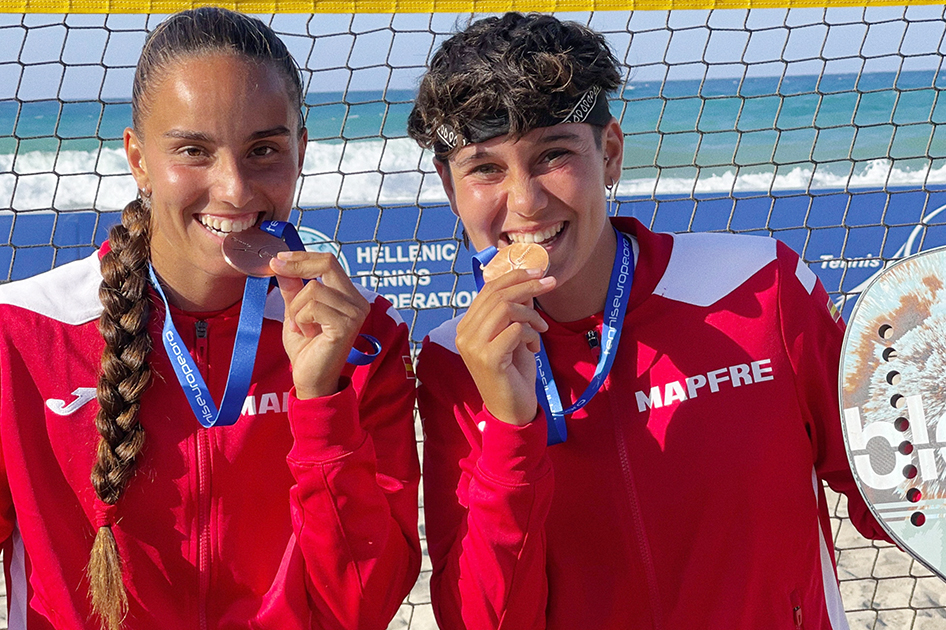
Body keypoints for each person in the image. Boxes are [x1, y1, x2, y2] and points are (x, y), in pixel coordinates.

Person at [408, 12, 891, 630]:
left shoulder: (760, 285)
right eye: (485, 168)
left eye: (553, 154)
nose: (525, 201)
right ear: (450, 189)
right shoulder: (453, 363)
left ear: (608, 153)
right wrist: (508, 425)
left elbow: (898, 505)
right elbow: (484, 621)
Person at [0, 8, 419, 630]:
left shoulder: (364, 342)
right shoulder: (22, 334)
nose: (235, 189)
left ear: (301, 150)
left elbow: (365, 606)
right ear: (138, 159)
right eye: (194, 150)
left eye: (264, 149)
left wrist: (322, 405)